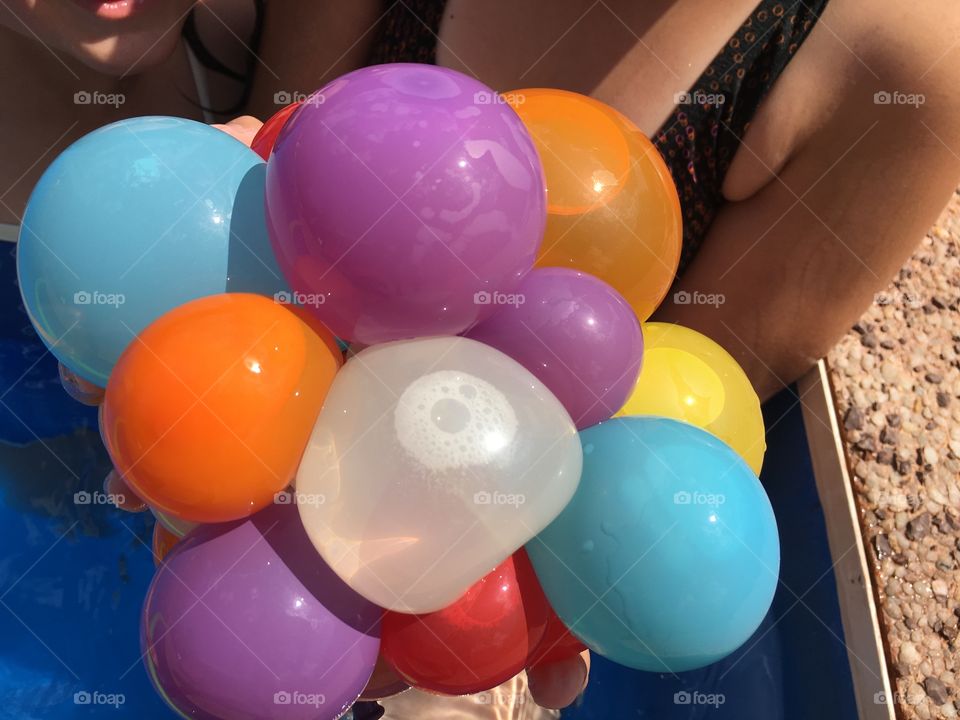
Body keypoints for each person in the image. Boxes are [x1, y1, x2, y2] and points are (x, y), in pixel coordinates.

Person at [2, 1, 958, 717]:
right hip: (255, 493)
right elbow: (287, 193)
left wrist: (491, 593)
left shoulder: (902, 59)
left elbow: (688, 397)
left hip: (469, 573)